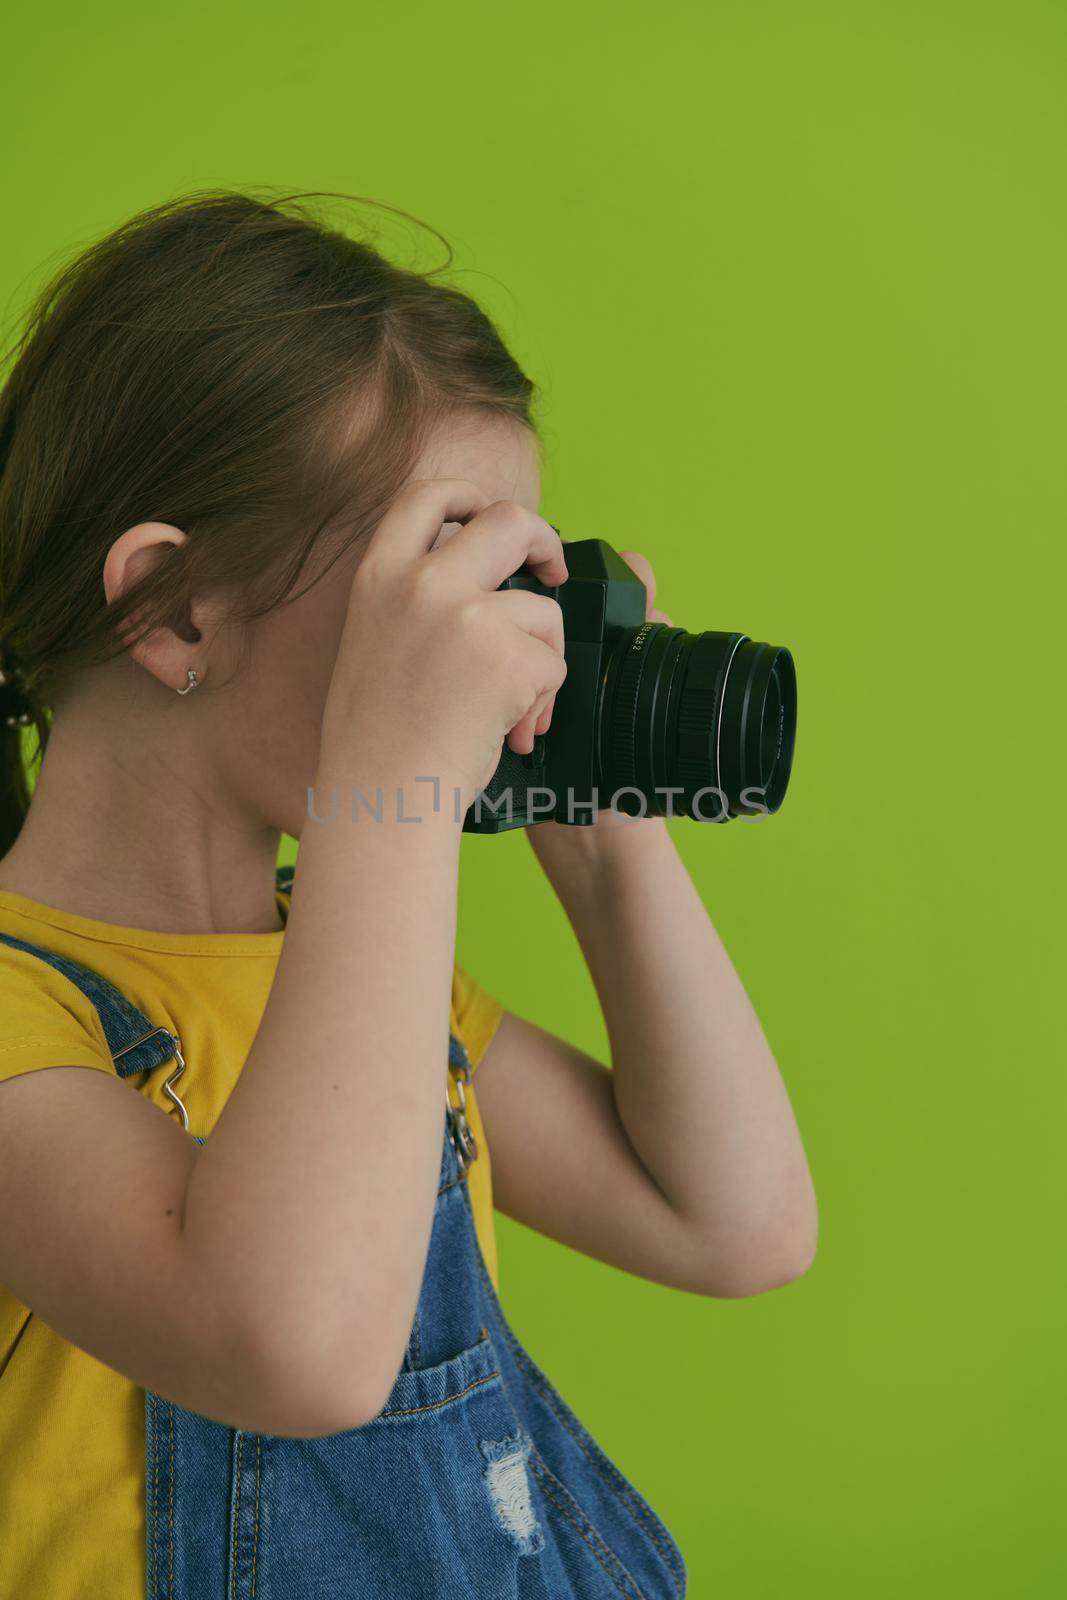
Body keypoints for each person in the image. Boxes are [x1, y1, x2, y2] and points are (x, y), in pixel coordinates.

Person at [0, 188, 818, 1599]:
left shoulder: (358, 983)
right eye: (434, 581)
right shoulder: (26, 1017)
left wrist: (598, 817)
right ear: (180, 610)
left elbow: (732, 1223)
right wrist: (399, 785)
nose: (489, 641)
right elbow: (292, 1350)